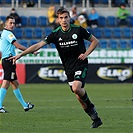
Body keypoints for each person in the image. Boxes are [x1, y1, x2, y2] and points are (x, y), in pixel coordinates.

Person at [9, 7, 103, 128]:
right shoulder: (55, 34)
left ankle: (92, 107)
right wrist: (21, 54)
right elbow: (38, 45)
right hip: (68, 68)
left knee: (76, 88)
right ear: (58, 20)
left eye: (66, 17)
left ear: (70, 18)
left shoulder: (78, 30)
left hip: (80, 63)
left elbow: (95, 41)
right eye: (61, 18)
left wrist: (86, 54)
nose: (64, 20)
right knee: (79, 96)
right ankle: (95, 118)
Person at [0, 16, 34, 113]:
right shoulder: (9, 34)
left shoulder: (4, 33)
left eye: (14, 23)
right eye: (10, 23)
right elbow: (18, 46)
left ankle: (25, 105)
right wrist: (31, 51)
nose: (12, 25)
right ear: (6, 24)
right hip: (9, 61)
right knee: (6, 83)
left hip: (7, 61)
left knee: (15, 83)